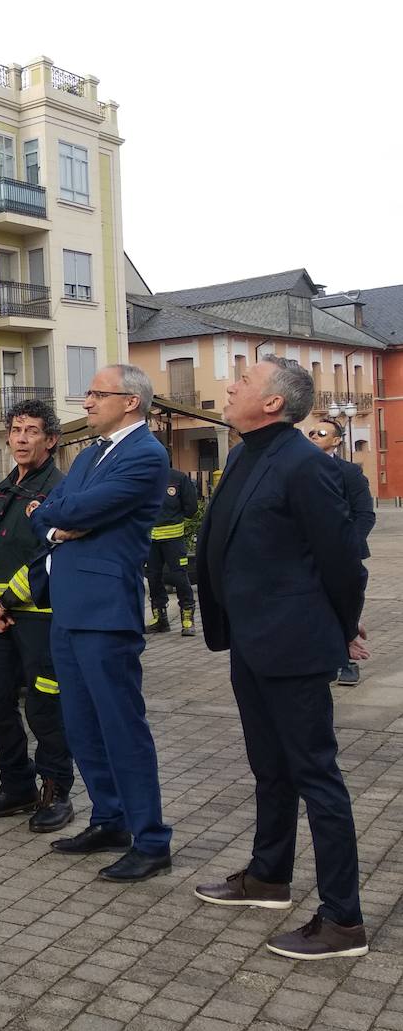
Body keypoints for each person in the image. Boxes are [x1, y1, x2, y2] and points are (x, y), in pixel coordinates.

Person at [194, 358, 369, 960]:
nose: (229, 387)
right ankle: (269, 876)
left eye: (242, 382)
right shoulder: (245, 455)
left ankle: (343, 920)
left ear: (273, 403)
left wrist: (344, 629)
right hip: (251, 639)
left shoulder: (305, 467)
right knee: (269, 768)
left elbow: (343, 560)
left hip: (293, 644)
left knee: (316, 777)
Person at [30, 364, 172, 882]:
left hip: (106, 610)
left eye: (96, 394)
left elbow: (79, 509)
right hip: (68, 608)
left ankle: (152, 839)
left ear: (130, 401)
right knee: (82, 726)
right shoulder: (91, 454)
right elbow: (54, 511)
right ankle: (110, 820)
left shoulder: (145, 455)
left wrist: (62, 517)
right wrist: (60, 520)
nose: (86, 402)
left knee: (121, 726)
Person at [0, 399, 74, 832]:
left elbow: (47, 558)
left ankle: (55, 790)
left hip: (41, 620)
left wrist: (4, 603)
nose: (21, 438)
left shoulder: (60, 489)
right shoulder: (2, 489)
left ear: (50, 440)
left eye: (32, 430)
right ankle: (17, 785)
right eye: (16, 430)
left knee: (45, 709)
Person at [306, 417, 375, 686]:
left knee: (343, 605)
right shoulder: (298, 470)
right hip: (308, 554)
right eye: (310, 432)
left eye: (320, 433)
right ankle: (319, 659)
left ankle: (348, 661)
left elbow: (364, 515)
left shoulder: (349, 473)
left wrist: (348, 549)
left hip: (342, 554)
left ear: (336, 441)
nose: (313, 435)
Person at [145, 465, 199, 636]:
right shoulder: (143, 478)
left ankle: (187, 618)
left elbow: (191, 507)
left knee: (179, 577)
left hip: (174, 540)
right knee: (153, 578)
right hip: (151, 540)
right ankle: (160, 618)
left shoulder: (178, 479)